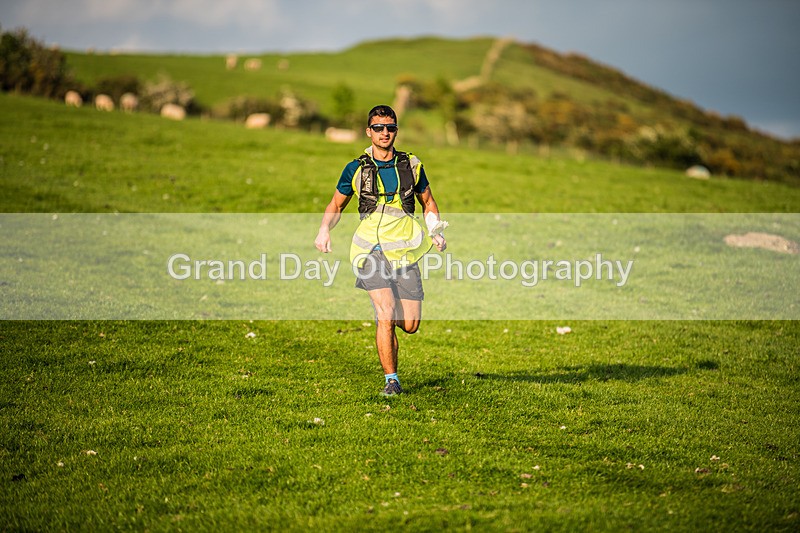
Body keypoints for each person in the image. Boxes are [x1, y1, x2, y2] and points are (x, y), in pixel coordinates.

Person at [314, 105, 447, 397]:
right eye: (378, 128)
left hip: (404, 252)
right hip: (370, 251)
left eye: (390, 127)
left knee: (410, 325)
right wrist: (325, 229)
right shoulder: (356, 168)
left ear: (396, 130)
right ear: (368, 132)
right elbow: (336, 205)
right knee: (386, 312)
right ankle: (391, 380)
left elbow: (429, 202)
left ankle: (383, 322)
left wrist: (435, 229)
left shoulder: (412, 165)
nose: (384, 133)